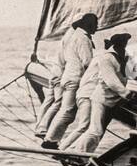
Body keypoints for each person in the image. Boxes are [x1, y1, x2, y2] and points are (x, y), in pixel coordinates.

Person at [60, 32, 137, 153]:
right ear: (116, 44)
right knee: (95, 130)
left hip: (114, 101)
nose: (124, 45)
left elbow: (132, 73)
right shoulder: (106, 58)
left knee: (100, 131)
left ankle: (78, 151)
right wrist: (126, 93)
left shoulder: (125, 56)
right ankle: (77, 153)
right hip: (101, 99)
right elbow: (111, 80)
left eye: (125, 43)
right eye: (122, 43)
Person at [38, 13, 98, 145]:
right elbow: (87, 62)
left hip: (67, 77)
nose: (97, 27)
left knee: (64, 110)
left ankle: (49, 137)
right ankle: (50, 140)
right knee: (68, 112)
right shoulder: (83, 38)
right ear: (89, 25)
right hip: (75, 79)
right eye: (95, 24)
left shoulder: (73, 35)